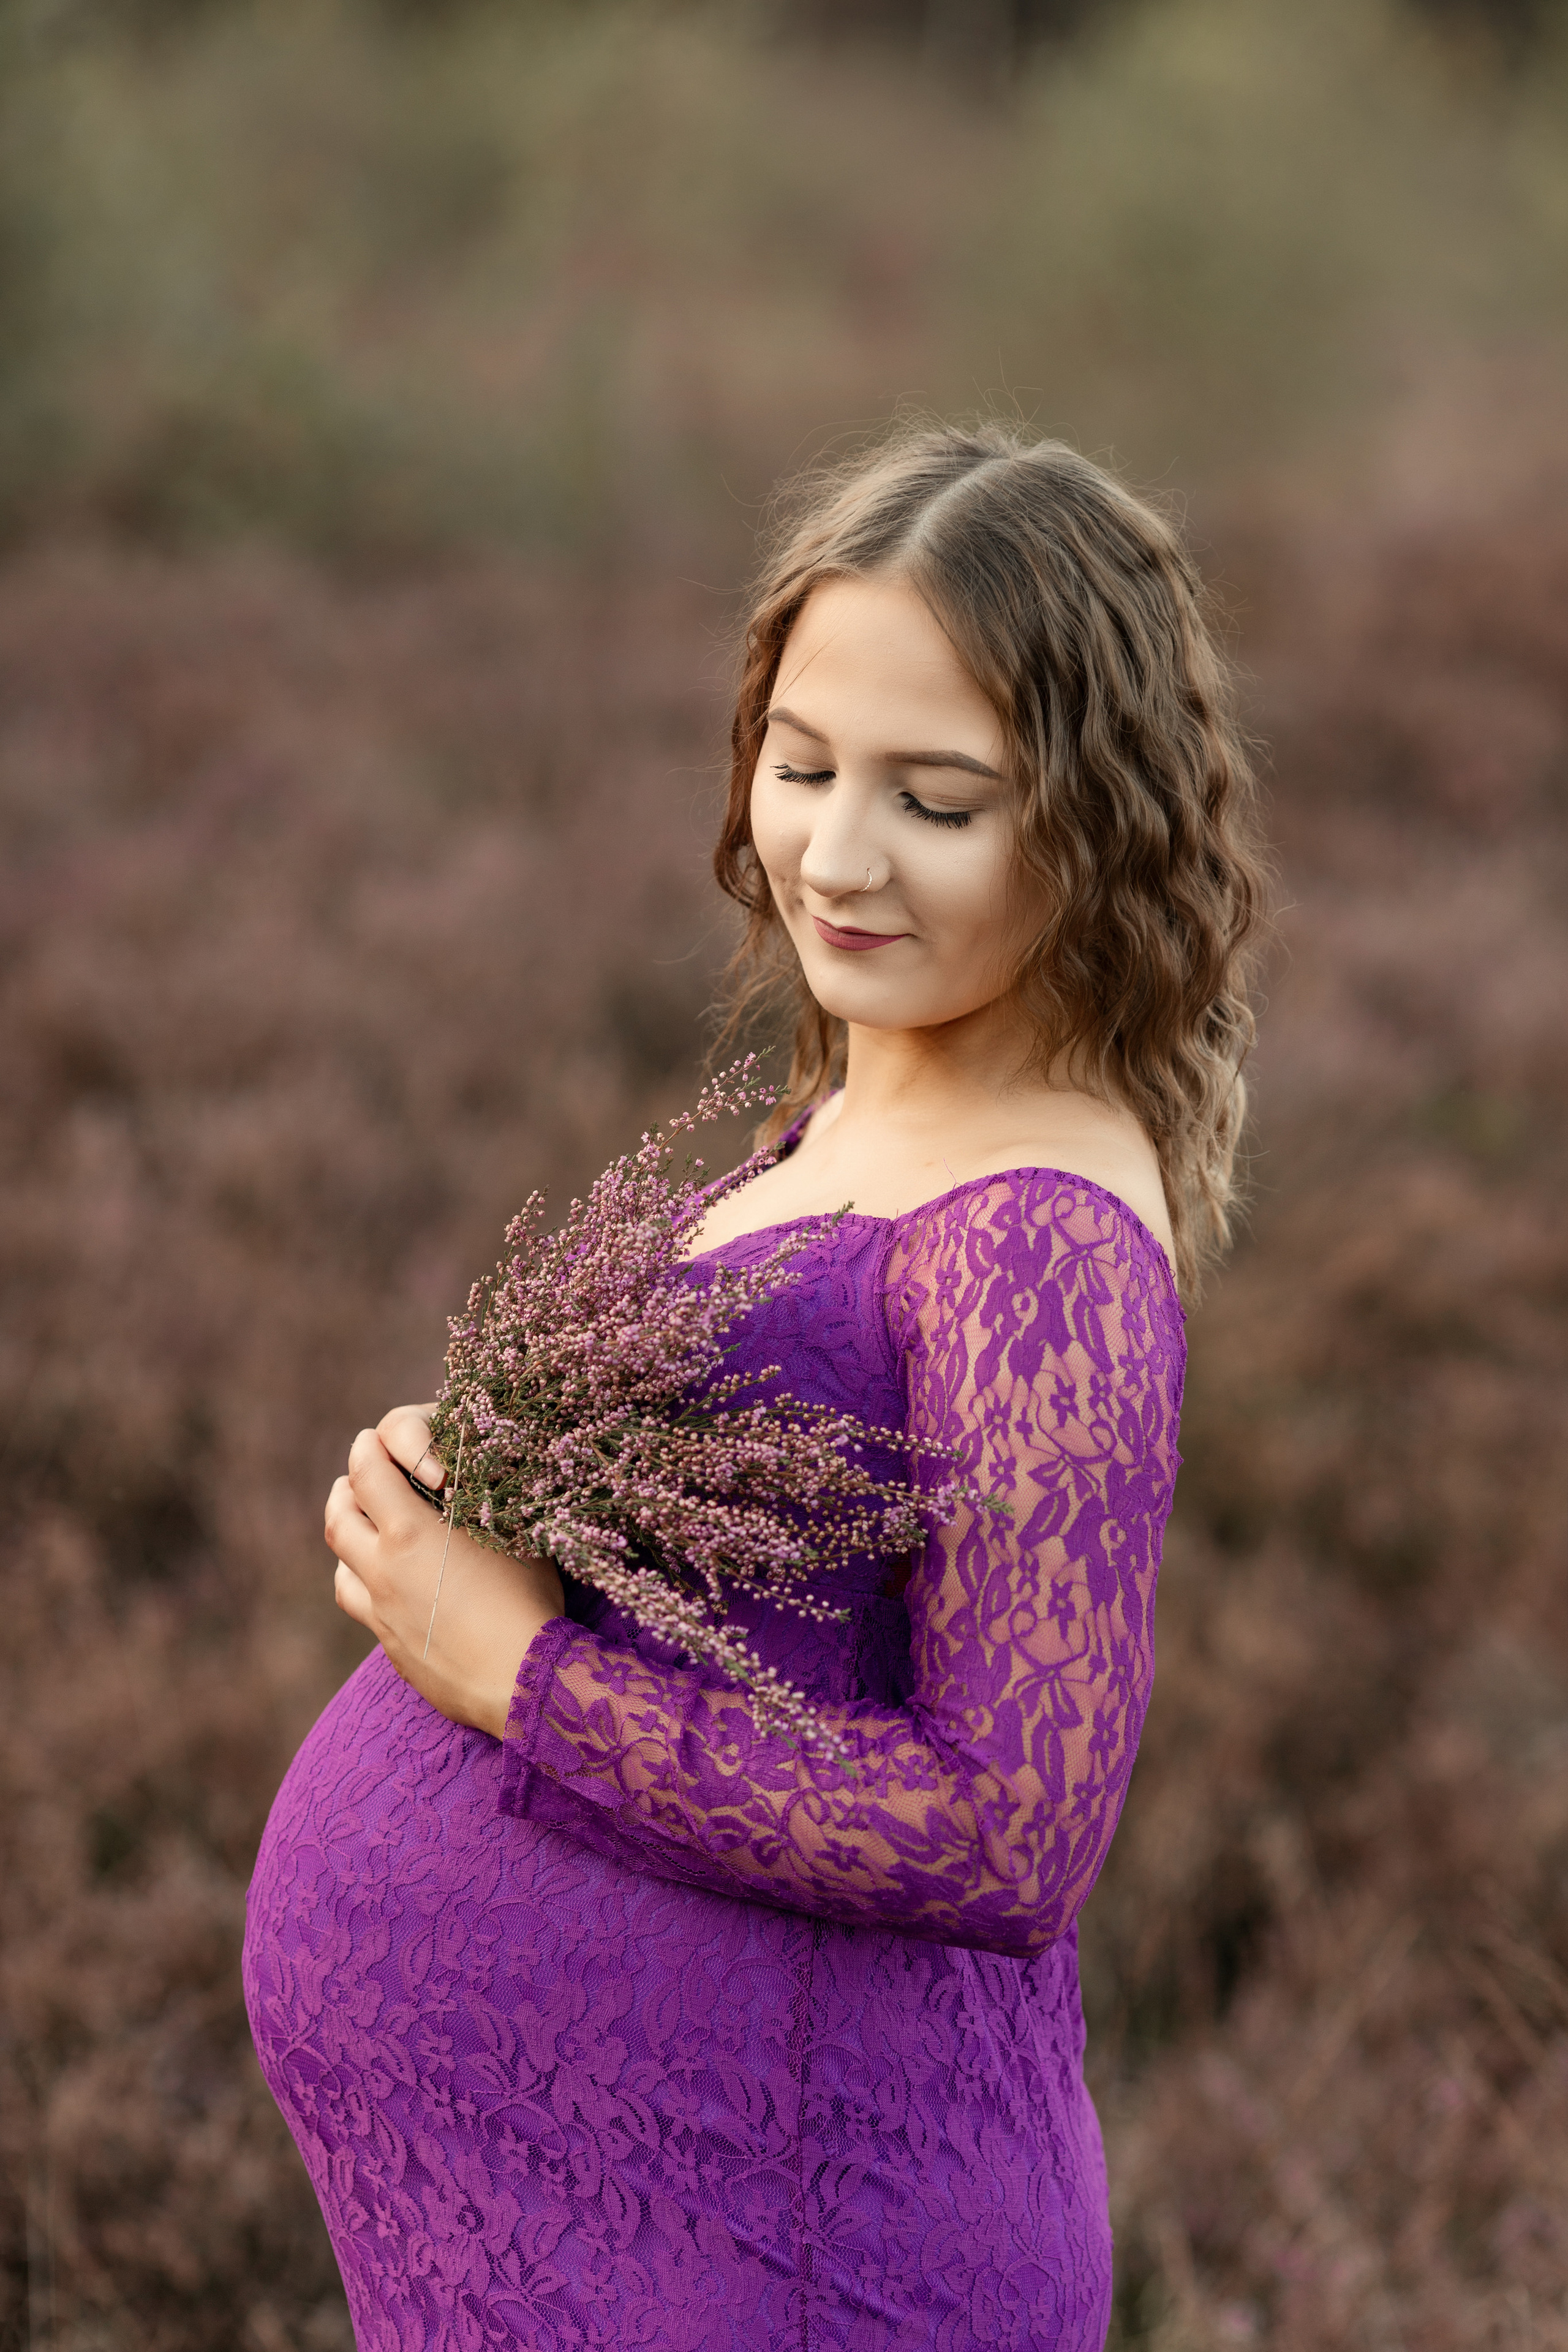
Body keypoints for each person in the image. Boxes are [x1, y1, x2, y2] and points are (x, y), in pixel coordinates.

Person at [244, 421, 1267, 2350]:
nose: (836, 854)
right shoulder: (874, 1094)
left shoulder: (1037, 1236)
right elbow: (786, 1605)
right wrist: (487, 1499)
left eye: (936, 801)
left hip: (776, 2249)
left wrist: (514, 1676)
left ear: (1101, 816)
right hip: (608, 2221)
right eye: (802, 767)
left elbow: (1008, 1828)